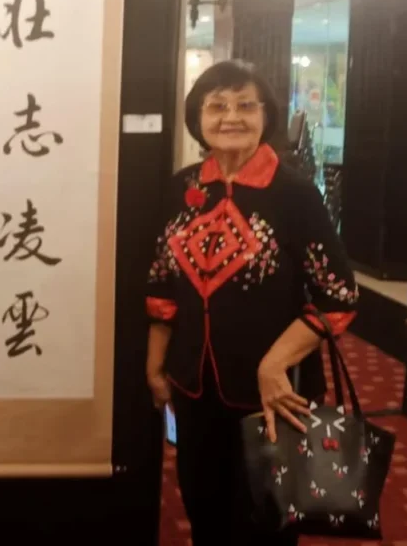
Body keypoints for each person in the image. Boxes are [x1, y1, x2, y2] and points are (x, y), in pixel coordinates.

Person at [145, 60, 358, 545]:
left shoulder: (294, 193)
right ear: (197, 117)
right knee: (202, 506)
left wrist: (273, 364)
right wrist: (156, 366)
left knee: (265, 520)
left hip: (274, 396)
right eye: (217, 106)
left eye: (245, 105)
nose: (231, 117)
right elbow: (161, 284)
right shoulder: (183, 188)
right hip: (194, 388)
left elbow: (338, 296)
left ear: (266, 115)